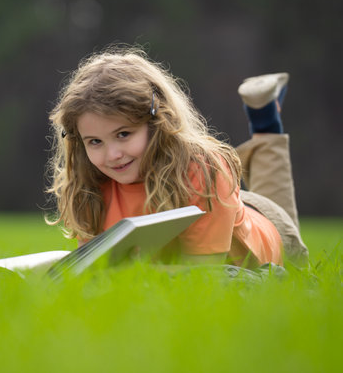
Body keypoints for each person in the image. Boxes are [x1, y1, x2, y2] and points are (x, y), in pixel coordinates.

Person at [45, 47, 308, 268]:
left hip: (267, 236)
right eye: (95, 142)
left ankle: (264, 119)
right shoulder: (87, 184)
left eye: (124, 134)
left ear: (158, 121)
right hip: (219, 205)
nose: (112, 154)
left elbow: (202, 276)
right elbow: (93, 269)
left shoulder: (206, 169)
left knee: (276, 197)